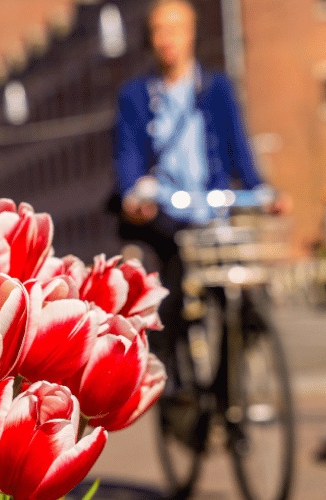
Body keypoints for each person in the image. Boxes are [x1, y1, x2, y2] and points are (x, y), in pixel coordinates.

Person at [111, 0, 276, 390]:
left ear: (191, 33)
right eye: (157, 30)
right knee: (177, 281)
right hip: (166, 211)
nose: (166, 39)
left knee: (246, 290)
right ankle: (170, 378)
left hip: (213, 208)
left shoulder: (215, 88)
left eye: (174, 29)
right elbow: (128, 155)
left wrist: (262, 192)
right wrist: (133, 195)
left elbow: (239, 148)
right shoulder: (135, 96)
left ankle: (229, 384)